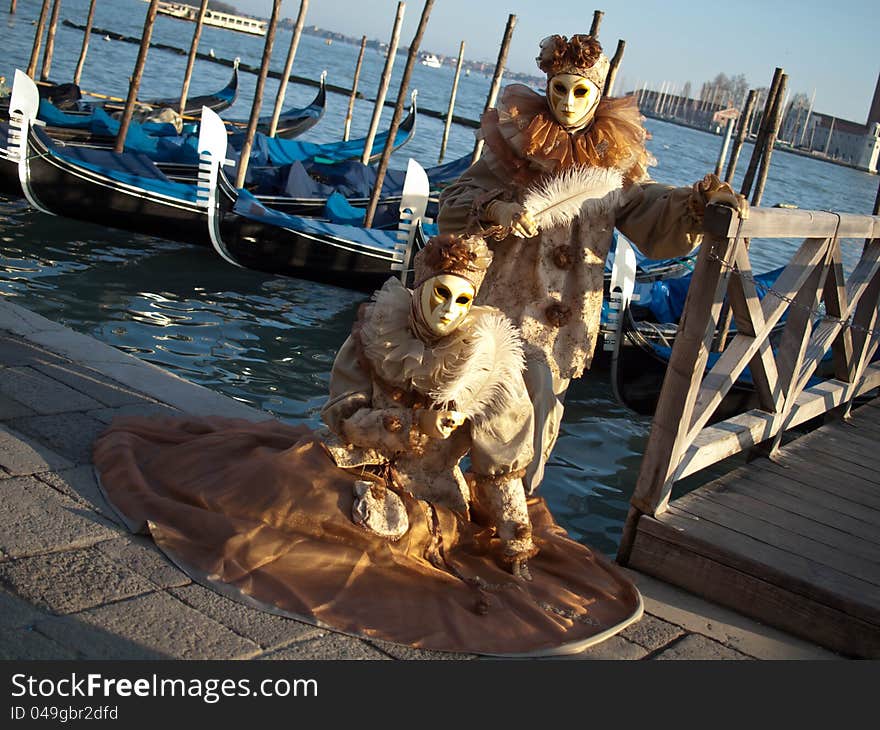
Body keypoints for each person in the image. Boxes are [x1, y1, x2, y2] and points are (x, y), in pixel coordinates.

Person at [92, 233, 644, 656]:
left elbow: (501, 471)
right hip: (353, 458)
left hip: (430, 496)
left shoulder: (492, 370)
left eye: (462, 300)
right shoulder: (377, 332)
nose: (448, 309)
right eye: (440, 295)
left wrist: (514, 543)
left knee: (377, 533)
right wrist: (398, 425)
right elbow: (343, 415)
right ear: (422, 288)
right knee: (278, 489)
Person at [438, 33, 748, 494]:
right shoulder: (516, 144)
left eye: (581, 91)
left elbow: (647, 210)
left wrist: (698, 206)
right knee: (474, 403)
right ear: (547, 88)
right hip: (503, 301)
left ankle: (505, 510)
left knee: (541, 416)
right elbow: (455, 201)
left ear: (598, 95)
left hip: (564, 318)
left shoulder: (612, 161)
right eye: (560, 88)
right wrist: (496, 209)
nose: (567, 102)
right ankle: (449, 492)